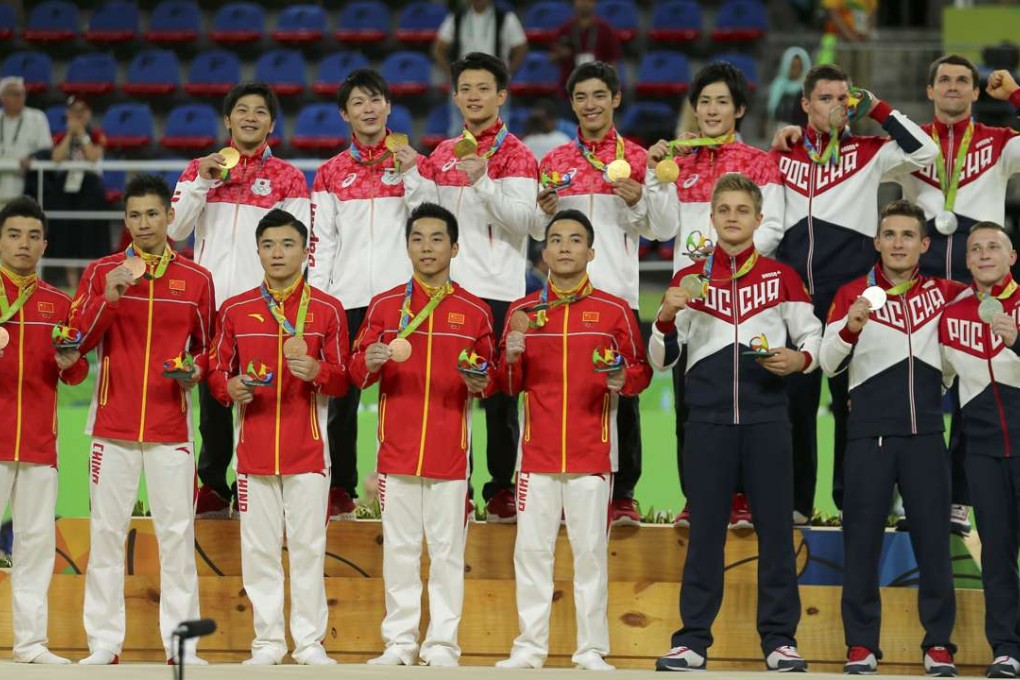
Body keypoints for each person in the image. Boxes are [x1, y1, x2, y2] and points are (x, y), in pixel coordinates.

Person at [649, 173, 820, 672]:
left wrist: (800, 360)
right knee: (704, 534)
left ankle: (780, 640)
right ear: (712, 217)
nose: (731, 217)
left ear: (758, 220)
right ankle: (692, 639)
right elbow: (661, 360)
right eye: (723, 209)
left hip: (768, 420)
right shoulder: (688, 278)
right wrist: (663, 317)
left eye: (741, 210)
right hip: (707, 423)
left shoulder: (782, 276)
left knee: (774, 533)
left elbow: (814, 335)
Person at [771, 63, 938, 522]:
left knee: (854, 407)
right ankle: (796, 504)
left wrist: (879, 108)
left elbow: (926, 152)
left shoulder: (871, 150)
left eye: (844, 99)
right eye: (825, 98)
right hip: (797, 300)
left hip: (853, 298)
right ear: (805, 104)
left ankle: (857, 505)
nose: (836, 107)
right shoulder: (782, 156)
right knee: (796, 406)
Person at [497, 208, 651, 671]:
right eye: (556, 239)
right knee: (531, 556)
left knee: (590, 557)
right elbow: (507, 385)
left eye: (575, 239)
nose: (565, 247)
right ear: (543, 253)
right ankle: (529, 647)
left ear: (591, 251)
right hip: (536, 457)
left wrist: (625, 377)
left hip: (592, 455)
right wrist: (510, 355)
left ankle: (590, 649)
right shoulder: (522, 313)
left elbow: (640, 373)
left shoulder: (615, 310)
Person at [69, 175, 215, 666]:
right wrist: (105, 300)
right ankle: (105, 644)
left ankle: (183, 646)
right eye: (134, 215)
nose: (144, 224)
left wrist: (199, 369)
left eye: (153, 214)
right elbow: (77, 344)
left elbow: (212, 348)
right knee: (106, 535)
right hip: (111, 425)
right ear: (125, 219)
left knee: (177, 536)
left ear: (170, 217)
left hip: (171, 427)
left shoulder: (197, 279)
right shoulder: (102, 272)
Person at [820, 200, 964, 676]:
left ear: (924, 245)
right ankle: (861, 645)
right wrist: (849, 329)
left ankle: (938, 644)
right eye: (890, 234)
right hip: (869, 437)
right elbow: (827, 362)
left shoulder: (948, 293)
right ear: (876, 242)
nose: (898, 243)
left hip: (925, 434)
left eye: (908, 235)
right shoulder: (849, 295)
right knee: (861, 543)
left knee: (933, 544)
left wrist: (942, 378)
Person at [350, 202, 495, 668]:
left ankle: (442, 645)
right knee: (400, 550)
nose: (427, 247)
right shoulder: (384, 305)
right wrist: (368, 362)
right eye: (418, 238)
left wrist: (481, 381)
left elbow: (490, 378)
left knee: (449, 553)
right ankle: (400, 642)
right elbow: (356, 372)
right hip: (396, 452)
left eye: (437, 239)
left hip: (451, 454)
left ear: (455, 247)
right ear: (407, 245)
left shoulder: (474, 311)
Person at [398, 51, 541, 523]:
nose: (474, 96)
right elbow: (431, 221)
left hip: (498, 290)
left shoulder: (518, 155)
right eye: (466, 88)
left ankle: (500, 489)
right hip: (446, 291)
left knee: (499, 397)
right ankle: (452, 483)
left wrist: (484, 183)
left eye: (484, 88)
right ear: (455, 95)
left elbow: (526, 223)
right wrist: (413, 180)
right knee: (446, 392)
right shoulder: (441, 153)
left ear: (501, 95)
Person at [645, 61, 786, 528]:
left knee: (745, 397)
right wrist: (654, 176)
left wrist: (727, 265)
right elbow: (662, 229)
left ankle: (743, 498)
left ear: (739, 109)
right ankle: (699, 498)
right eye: (704, 101)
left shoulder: (759, 163)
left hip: (746, 296)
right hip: (692, 302)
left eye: (722, 101)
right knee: (691, 401)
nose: (711, 109)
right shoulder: (679, 161)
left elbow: (775, 228)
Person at [209, 209, 348, 666]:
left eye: (287, 245)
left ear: (306, 252)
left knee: (308, 550)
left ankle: (309, 643)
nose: (277, 253)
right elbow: (216, 371)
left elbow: (346, 379)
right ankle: (267, 643)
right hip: (252, 453)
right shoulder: (235, 310)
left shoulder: (328, 310)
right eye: (268, 245)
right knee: (259, 552)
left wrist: (320, 372)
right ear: (257, 251)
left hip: (308, 453)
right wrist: (227, 388)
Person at [168, 82, 310, 519]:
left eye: (260, 112)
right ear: (227, 119)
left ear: (272, 122)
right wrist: (200, 185)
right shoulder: (200, 169)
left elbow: (301, 246)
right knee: (213, 397)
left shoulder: (289, 177)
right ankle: (212, 485)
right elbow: (175, 232)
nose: (251, 117)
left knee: (266, 395)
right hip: (210, 306)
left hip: (264, 307)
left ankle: (270, 481)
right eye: (242, 111)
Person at [896, 56, 1020, 535]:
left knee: (977, 395)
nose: (953, 87)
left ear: (975, 93)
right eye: (943, 80)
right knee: (916, 391)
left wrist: (1013, 95)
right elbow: (855, 150)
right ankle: (915, 497)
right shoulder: (908, 143)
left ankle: (959, 501)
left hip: (979, 284)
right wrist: (793, 135)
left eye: (962, 81)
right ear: (929, 91)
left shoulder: (999, 142)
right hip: (919, 286)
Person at [536, 60, 650, 525]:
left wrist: (638, 198)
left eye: (599, 96)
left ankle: (623, 494)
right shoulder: (554, 163)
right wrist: (542, 212)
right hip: (563, 294)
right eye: (581, 97)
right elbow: (541, 233)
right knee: (561, 389)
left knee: (624, 391)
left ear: (616, 99)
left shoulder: (638, 159)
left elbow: (661, 227)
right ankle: (560, 485)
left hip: (618, 291)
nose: (590, 105)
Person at [309, 69, 414, 520]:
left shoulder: (413, 163)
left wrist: (413, 174)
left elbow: (428, 224)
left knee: (408, 396)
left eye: (375, 99)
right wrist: (318, 301)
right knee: (342, 403)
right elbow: (322, 242)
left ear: (389, 105)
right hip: (347, 300)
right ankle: (340, 489)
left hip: (404, 301)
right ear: (344, 113)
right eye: (358, 102)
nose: (368, 109)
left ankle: (407, 482)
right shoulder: (330, 173)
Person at [0, 196, 88, 665]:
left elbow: (75, 373)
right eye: (14, 234)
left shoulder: (59, 304)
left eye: (33, 236)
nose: (24, 244)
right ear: (0, 239)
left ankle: (30, 643)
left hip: (38, 444)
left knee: (34, 546)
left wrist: (72, 363)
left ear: (45, 245)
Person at [940, 222, 1020, 680]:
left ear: (1012, 257)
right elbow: (938, 376)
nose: (985, 254)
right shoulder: (952, 314)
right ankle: (1007, 648)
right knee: (997, 552)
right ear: (966, 261)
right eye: (976, 249)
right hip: (983, 452)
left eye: (994, 247)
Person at [44, 95, 108, 290]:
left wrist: (82, 134)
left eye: (82, 112)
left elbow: (93, 156)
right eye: (73, 112)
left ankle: (87, 283)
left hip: (89, 187)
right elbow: (56, 157)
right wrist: (70, 135)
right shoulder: (60, 136)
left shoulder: (97, 135)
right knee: (67, 234)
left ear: (88, 114)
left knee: (88, 234)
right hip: (66, 188)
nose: (77, 116)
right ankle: (73, 285)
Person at [550, 0, 622, 104]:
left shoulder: (605, 29)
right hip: (569, 91)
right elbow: (552, 58)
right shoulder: (565, 29)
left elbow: (613, 60)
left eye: (588, 0)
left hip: (598, 90)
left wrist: (610, 85)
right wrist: (561, 55)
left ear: (595, 3)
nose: (584, 3)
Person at [433, 0, 528, 77]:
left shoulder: (507, 18)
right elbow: (438, 50)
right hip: (464, 81)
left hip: (495, 81)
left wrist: (507, 74)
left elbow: (521, 49)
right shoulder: (455, 18)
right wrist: (451, 74)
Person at [0, 77, 51, 207]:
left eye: (22, 94)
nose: (20, 98)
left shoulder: (37, 118)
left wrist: (33, 157)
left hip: (26, 184)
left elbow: (47, 150)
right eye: (15, 94)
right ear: (3, 96)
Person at [767, 47, 811, 132]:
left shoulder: (808, 89)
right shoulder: (777, 87)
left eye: (799, 67)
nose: (796, 70)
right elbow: (773, 112)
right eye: (793, 66)